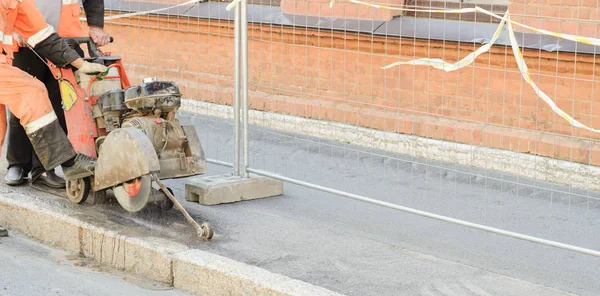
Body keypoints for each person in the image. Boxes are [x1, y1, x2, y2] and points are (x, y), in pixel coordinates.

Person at [5, 0, 110, 188]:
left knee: (56, 104)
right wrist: (12, 29)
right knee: (23, 103)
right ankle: (18, 163)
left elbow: (39, 32)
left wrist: (83, 61)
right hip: (24, 43)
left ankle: (45, 167)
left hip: (59, 41)